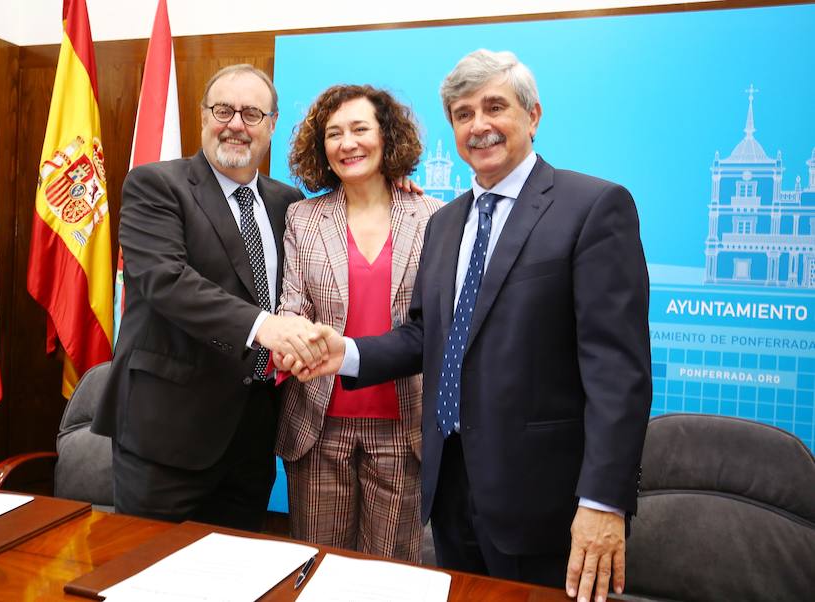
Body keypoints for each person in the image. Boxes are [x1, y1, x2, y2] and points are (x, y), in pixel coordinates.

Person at [284, 49, 652, 602]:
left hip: (542, 500)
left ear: (533, 115)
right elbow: (427, 336)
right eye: (462, 113)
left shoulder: (593, 207)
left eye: (494, 107)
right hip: (449, 488)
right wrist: (348, 355)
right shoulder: (447, 221)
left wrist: (603, 502)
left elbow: (618, 373)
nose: (478, 126)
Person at [92, 64, 325, 532]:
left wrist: (391, 188)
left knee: (234, 577)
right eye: (224, 110)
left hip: (251, 437)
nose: (236, 124)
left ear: (272, 125)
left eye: (252, 113)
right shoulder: (155, 184)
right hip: (166, 436)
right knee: (145, 575)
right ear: (203, 116)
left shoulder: (287, 203)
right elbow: (166, 281)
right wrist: (265, 326)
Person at [276, 85, 442, 562]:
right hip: (318, 423)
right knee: (315, 566)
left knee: (391, 575)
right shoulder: (302, 218)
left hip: (403, 426)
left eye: (359, 129)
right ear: (321, 148)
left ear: (386, 136)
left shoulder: (434, 216)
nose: (347, 143)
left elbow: (438, 323)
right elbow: (291, 306)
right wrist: (297, 340)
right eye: (334, 133)